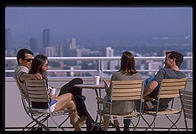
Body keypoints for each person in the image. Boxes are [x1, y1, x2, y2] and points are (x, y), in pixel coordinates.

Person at [13, 49, 82, 131]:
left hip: (35, 105)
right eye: (28, 60)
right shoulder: (21, 69)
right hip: (44, 106)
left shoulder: (29, 71)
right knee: (71, 95)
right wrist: (32, 76)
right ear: (20, 60)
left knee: (72, 103)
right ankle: (82, 119)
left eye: (32, 60)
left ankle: (77, 127)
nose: (31, 62)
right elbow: (22, 75)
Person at [102, 51, 143, 131]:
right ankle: (126, 127)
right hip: (130, 109)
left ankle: (106, 128)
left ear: (122, 62)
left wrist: (107, 86)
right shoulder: (138, 76)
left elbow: (110, 93)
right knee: (127, 99)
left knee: (106, 99)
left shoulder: (116, 75)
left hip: (114, 109)